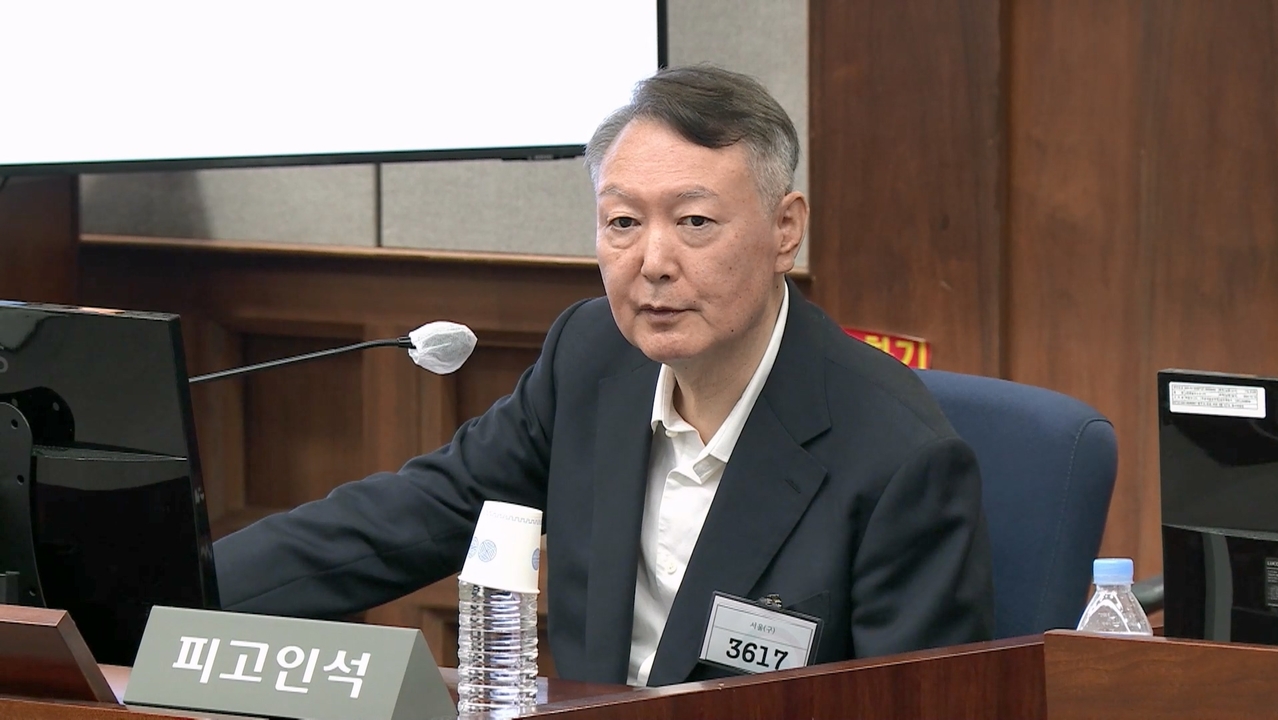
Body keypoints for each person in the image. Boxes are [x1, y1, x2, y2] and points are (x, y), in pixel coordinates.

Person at [213, 64, 995, 687]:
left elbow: (920, 705)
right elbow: (417, 515)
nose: (653, 262)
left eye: (694, 222)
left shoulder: (897, 456)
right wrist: (176, 592)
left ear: (784, 229)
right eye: (623, 222)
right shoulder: (593, 356)